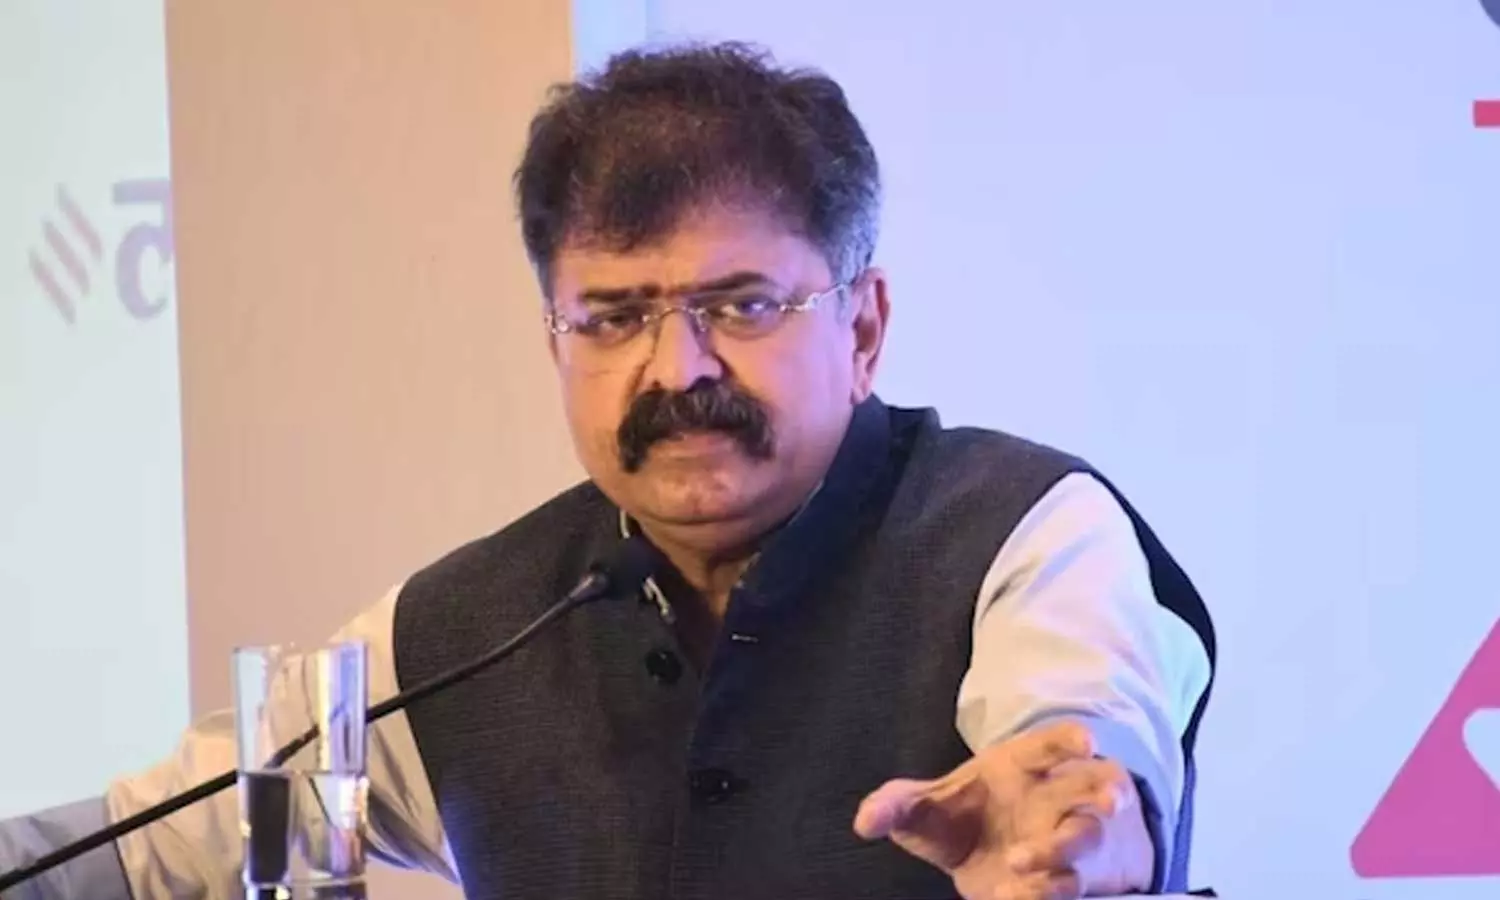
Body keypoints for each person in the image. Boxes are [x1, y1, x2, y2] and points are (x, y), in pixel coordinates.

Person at [0, 41, 1214, 900]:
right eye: (615, 317)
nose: (675, 368)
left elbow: (1088, 751)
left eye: (741, 304)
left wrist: (1078, 835)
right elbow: (154, 848)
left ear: (862, 328)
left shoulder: (1023, 534)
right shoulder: (471, 624)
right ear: (555, 343)